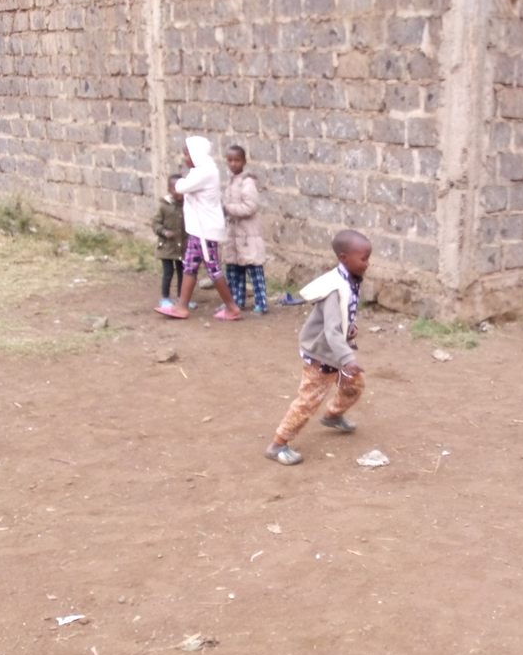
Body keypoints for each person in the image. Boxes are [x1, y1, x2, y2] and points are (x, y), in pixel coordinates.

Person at [265, 230, 372, 466]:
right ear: (344, 258)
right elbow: (331, 330)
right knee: (308, 402)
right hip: (322, 357)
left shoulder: (349, 280)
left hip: (336, 353)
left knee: (354, 385)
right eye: (364, 258)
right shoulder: (334, 289)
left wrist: (349, 330)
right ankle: (277, 444)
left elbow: (340, 320)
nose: (367, 263)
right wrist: (348, 359)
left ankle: (333, 415)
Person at [155, 136, 243, 320]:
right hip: (199, 230)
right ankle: (182, 307)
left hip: (205, 231)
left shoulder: (205, 172)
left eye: (187, 154)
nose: (185, 158)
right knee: (190, 266)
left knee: (213, 269)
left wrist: (181, 182)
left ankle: (232, 307)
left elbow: (180, 186)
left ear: (196, 154)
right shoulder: (203, 170)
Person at [222, 145, 269, 314]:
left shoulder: (247, 183)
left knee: (254, 269)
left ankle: (261, 303)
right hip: (234, 235)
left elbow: (250, 207)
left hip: (248, 235)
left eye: (237, 160)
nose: (233, 164)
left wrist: (228, 209)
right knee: (234, 269)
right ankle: (237, 300)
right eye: (230, 160)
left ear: (244, 161)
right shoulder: (230, 182)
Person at [151, 174, 188, 309]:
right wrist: (164, 232)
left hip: (182, 247)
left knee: (183, 272)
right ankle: (165, 297)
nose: (178, 193)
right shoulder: (164, 206)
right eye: (175, 189)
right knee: (168, 272)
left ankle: (181, 298)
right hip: (167, 246)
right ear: (169, 190)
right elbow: (155, 223)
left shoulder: (188, 204)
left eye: (181, 189)